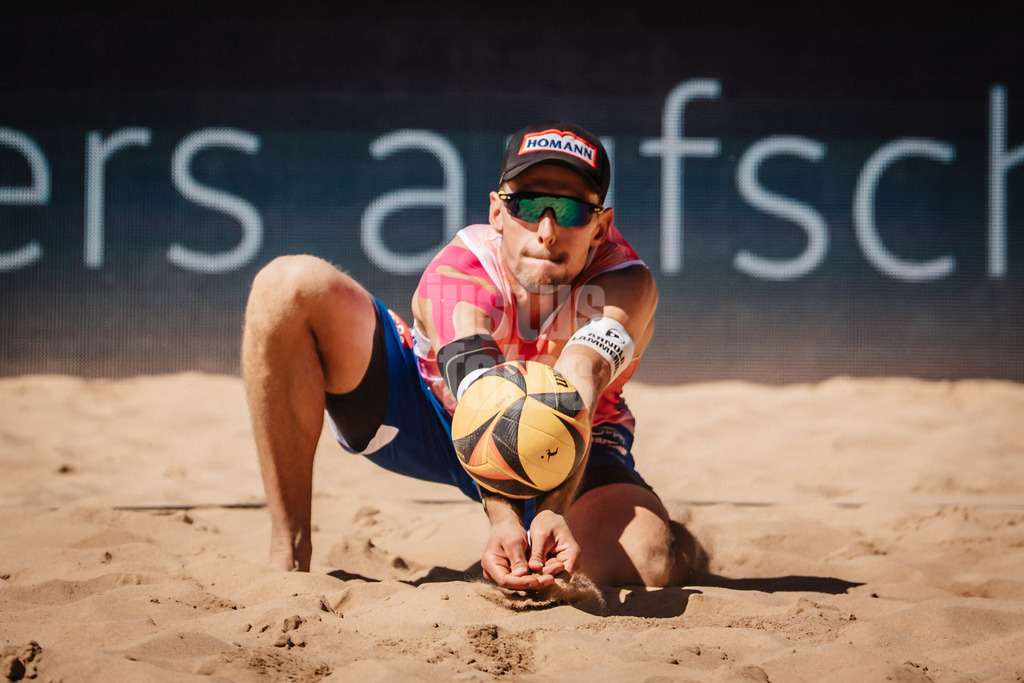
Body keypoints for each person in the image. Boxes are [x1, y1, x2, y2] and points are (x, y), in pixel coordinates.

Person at [242, 121, 701, 590]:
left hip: (571, 437)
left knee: (650, 561)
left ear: (600, 226)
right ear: (497, 213)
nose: (546, 231)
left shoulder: (627, 283)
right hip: (435, 416)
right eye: (526, 205)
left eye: (568, 209)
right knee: (286, 284)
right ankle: (289, 549)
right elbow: (479, 397)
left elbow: (578, 380)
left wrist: (551, 510)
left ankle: (673, 536)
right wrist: (503, 520)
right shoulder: (459, 277)